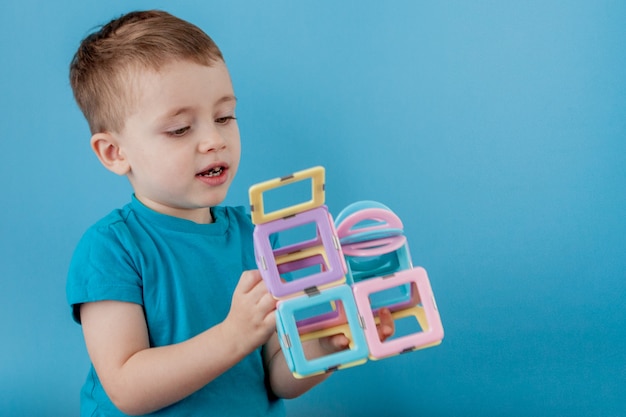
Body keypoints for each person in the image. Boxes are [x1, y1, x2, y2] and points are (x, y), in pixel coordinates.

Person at [66, 9, 394, 416]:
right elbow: (127, 388)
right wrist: (233, 337)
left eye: (224, 117)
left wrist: (328, 346)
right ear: (115, 153)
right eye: (180, 128)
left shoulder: (256, 235)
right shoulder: (111, 248)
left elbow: (278, 374)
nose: (213, 140)